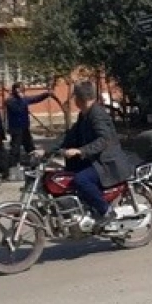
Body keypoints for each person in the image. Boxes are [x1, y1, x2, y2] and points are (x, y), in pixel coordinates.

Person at [38, 81, 132, 227]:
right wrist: (47, 150)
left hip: (106, 162)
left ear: (80, 99)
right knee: (63, 176)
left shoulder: (97, 114)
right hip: (94, 159)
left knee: (81, 180)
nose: (74, 100)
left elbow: (103, 140)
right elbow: (69, 136)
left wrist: (81, 151)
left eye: (75, 97)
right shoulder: (85, 115)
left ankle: (106, 211)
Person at [5, 82, 53, 172]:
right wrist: (21, 99)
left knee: (30, 147)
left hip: (24, 128)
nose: (20, 91)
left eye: (22, 89)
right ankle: (11, 168)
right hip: (16, 129)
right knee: (15, 149)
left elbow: (35, 98)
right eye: (18, 89)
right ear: (14, 90)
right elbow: (17, 109)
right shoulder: (10, 101)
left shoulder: (24, 99)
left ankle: (33, 166)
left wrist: (47, 94)